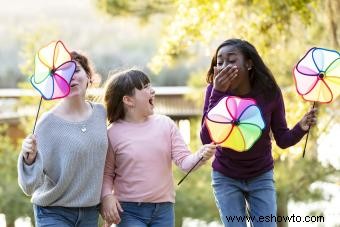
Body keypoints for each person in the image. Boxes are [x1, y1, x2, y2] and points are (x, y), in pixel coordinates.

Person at [200, 39, 317, 227]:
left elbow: (283, 140)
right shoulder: (215, 91)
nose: (223, 66)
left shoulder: (269, 93)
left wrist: (301, 127)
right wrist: (218, 92)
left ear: (248, 64)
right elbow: (206, 139)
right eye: (219, 62)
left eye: (231, 60)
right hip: (226, 177)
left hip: (260, 176)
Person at [100, 69, 217, 227]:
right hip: (128, 211)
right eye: (146, 87)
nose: (152, 90)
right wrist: (107, 197)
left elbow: (184, 162)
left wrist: (201, 155)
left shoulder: (165, 124)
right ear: (128, 100)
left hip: (164, 211)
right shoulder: (112, 133)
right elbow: (107, 175)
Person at [17, 51, 108, 227]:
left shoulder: (101, 113)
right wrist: (29, 159)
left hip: (90, 212)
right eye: (64, 73)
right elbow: (29, 187)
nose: (71, 77)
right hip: (53, 212)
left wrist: (109, 197)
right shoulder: (47, 124)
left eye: (76, 70)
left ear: (88, 76)